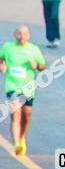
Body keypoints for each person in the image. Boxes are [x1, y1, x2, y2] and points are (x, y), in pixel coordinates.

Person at [0, 26, 47, 156]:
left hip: (28, 89)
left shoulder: (34, 50)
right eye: (20, 34)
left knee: (26, 116)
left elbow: (43, 67)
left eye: (25, 34)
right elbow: (1, 58)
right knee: (15, 115)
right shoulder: (8, 47)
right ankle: (16, 144)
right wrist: (1, 66)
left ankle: (21, 139)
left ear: (29, 36)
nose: (22, 36)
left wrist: (36, 66)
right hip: (12, 86)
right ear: (15, 35)